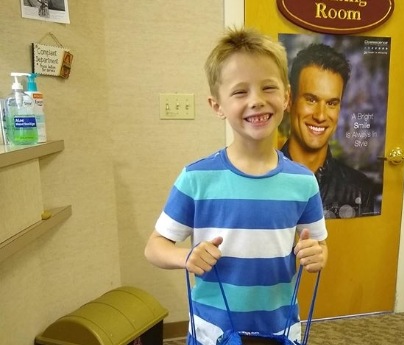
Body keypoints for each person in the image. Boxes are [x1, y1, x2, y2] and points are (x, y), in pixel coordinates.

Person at [144, 27, 328, 345]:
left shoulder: (303, 181)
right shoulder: (196, 178)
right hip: (213, 331)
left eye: (267, 88)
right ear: (217, 106)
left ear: (286, 97)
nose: (256, 101)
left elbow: (320, 246)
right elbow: (154, 247)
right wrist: (186, 258)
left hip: (279, 328)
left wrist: (318, 255)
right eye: (240, 92)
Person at [280, 43, 375, 219]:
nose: (321, 116)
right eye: (311, 100)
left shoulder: (361, 189)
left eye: (331, 103)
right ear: (289, 100)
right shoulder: (261, 179)